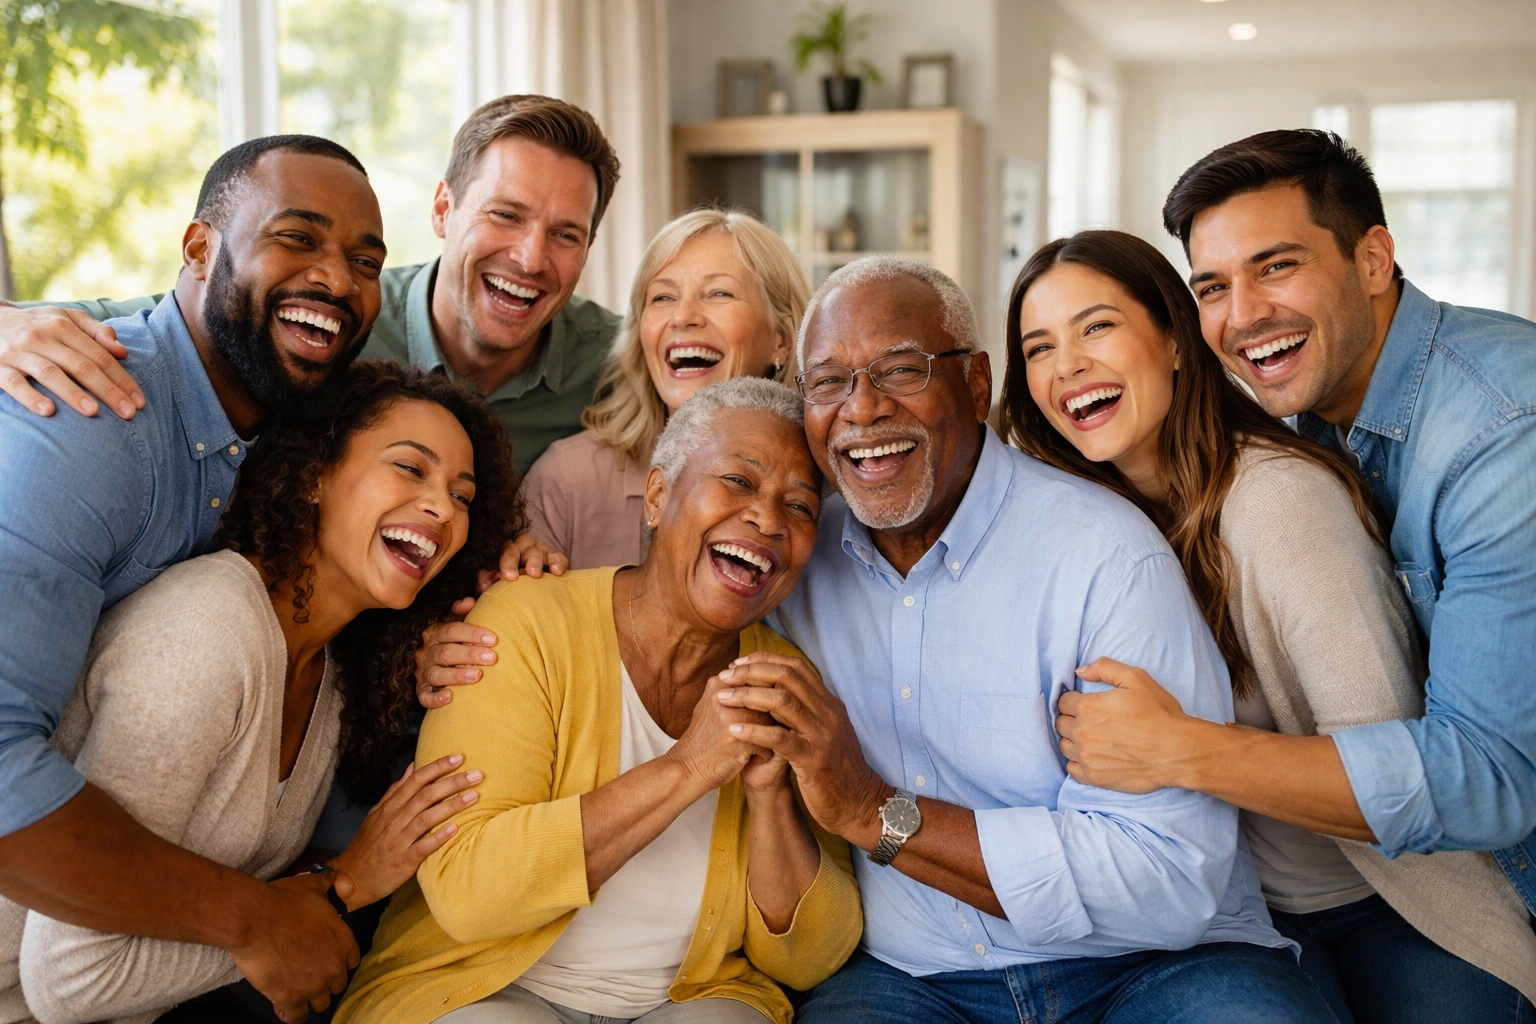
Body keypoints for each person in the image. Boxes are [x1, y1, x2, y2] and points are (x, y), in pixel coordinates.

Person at [673, 257, 1332, 1022]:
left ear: (978, 384)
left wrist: (877, 812)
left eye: (900, 369)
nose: (861, 408)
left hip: (1154, 967)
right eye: (827, 382)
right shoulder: (793, 559)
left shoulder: (1104, 555)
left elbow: (1169, 878)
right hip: (913, 976)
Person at [1004, 228, 1536, 1022]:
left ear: (1176, 342)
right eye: (1038, 347)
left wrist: (1174, 750)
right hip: (1239, 920)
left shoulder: (1280, 505)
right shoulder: (1084, 526)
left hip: (1393, 900)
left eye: (1097, 326)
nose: (1068, 364)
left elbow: (1389, 772)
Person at [0, 134, 394, 1021]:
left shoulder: (284, 431)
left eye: (365, 260)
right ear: (199, 249)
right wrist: (253, 921)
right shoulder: (87, 426)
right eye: (298, 238)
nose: (337, 278)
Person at [0, 362, 524, 1024]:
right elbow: (71, 978)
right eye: (411, 469)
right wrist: (336, 893)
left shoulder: (332, 674)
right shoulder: (208, 634)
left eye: (463, 495)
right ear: (314, 476)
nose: (442, 508)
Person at [337, 378, 861, 1024]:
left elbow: (809, 959)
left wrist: (770, 797)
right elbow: (470, 890)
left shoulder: (788, 680)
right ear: (659, 496)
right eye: (738, 482)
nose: (768, 519)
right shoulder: (523, 621)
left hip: (686, 999)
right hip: (482, 991)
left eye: (802, 507)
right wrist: (688, 768)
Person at [0, 93, 622, 478]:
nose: (530, 257)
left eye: (566, 234)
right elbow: (156, 321)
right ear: (442, 209)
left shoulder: (619, 361)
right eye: (505, 215)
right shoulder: (332, 318)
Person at [518, 208, 808, 572]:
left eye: (718, 293)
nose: (683, 316)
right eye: (662, 297)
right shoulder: (564, 480)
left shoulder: (823, 492)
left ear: (781, 340)